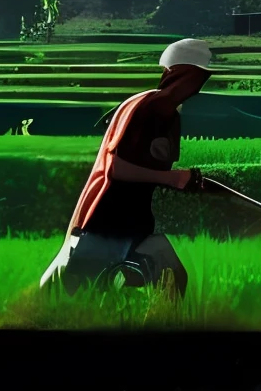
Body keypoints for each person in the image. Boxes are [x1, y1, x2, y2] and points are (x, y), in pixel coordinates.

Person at [39, 38, 216, 296]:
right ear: (177, 73)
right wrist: (172, 178)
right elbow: (116, 168)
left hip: (134, 226)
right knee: (82, 297)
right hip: (103, 226)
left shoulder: (169, 117)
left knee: (174, 278)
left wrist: (187, 182)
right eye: (197, 77)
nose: (199, 87)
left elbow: (153, 171)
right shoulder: (147, 108)